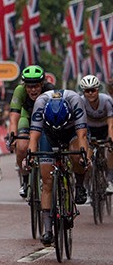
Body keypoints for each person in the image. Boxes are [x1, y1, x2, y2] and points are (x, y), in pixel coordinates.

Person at [26, 89, 90, 246]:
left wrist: (84, 158)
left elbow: (82, 136)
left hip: (71, 132)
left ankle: (79, 185)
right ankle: (48, 230)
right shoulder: (40, 104)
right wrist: (29, 157)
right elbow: (34, 137)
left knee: (78, 156)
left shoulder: (76, 102)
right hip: (49, 134)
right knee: (47, 181)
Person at [6, 65, 54, 198]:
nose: (33, 90)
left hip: (45, 118)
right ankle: (25, 180)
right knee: (21, 147)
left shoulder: (49, 90)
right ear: (24, 86)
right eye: (29, 86)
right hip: (26, 117)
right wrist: (12, 136)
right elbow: (14, 117)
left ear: (42, 84)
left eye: (36, 86)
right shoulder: (19, 91)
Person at [78, 75, 113, 193]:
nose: (90, 93)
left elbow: (111, 124)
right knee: (86, 158)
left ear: (98, 90)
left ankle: (109, 180)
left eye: (93, 90)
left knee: (111, 149)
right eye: (87, 91)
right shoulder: (81, 101)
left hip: (104, 128)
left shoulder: (107, 101)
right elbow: (80, 123)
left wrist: (110, 139)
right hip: (90, 129)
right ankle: (87, 186)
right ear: (83, 92)